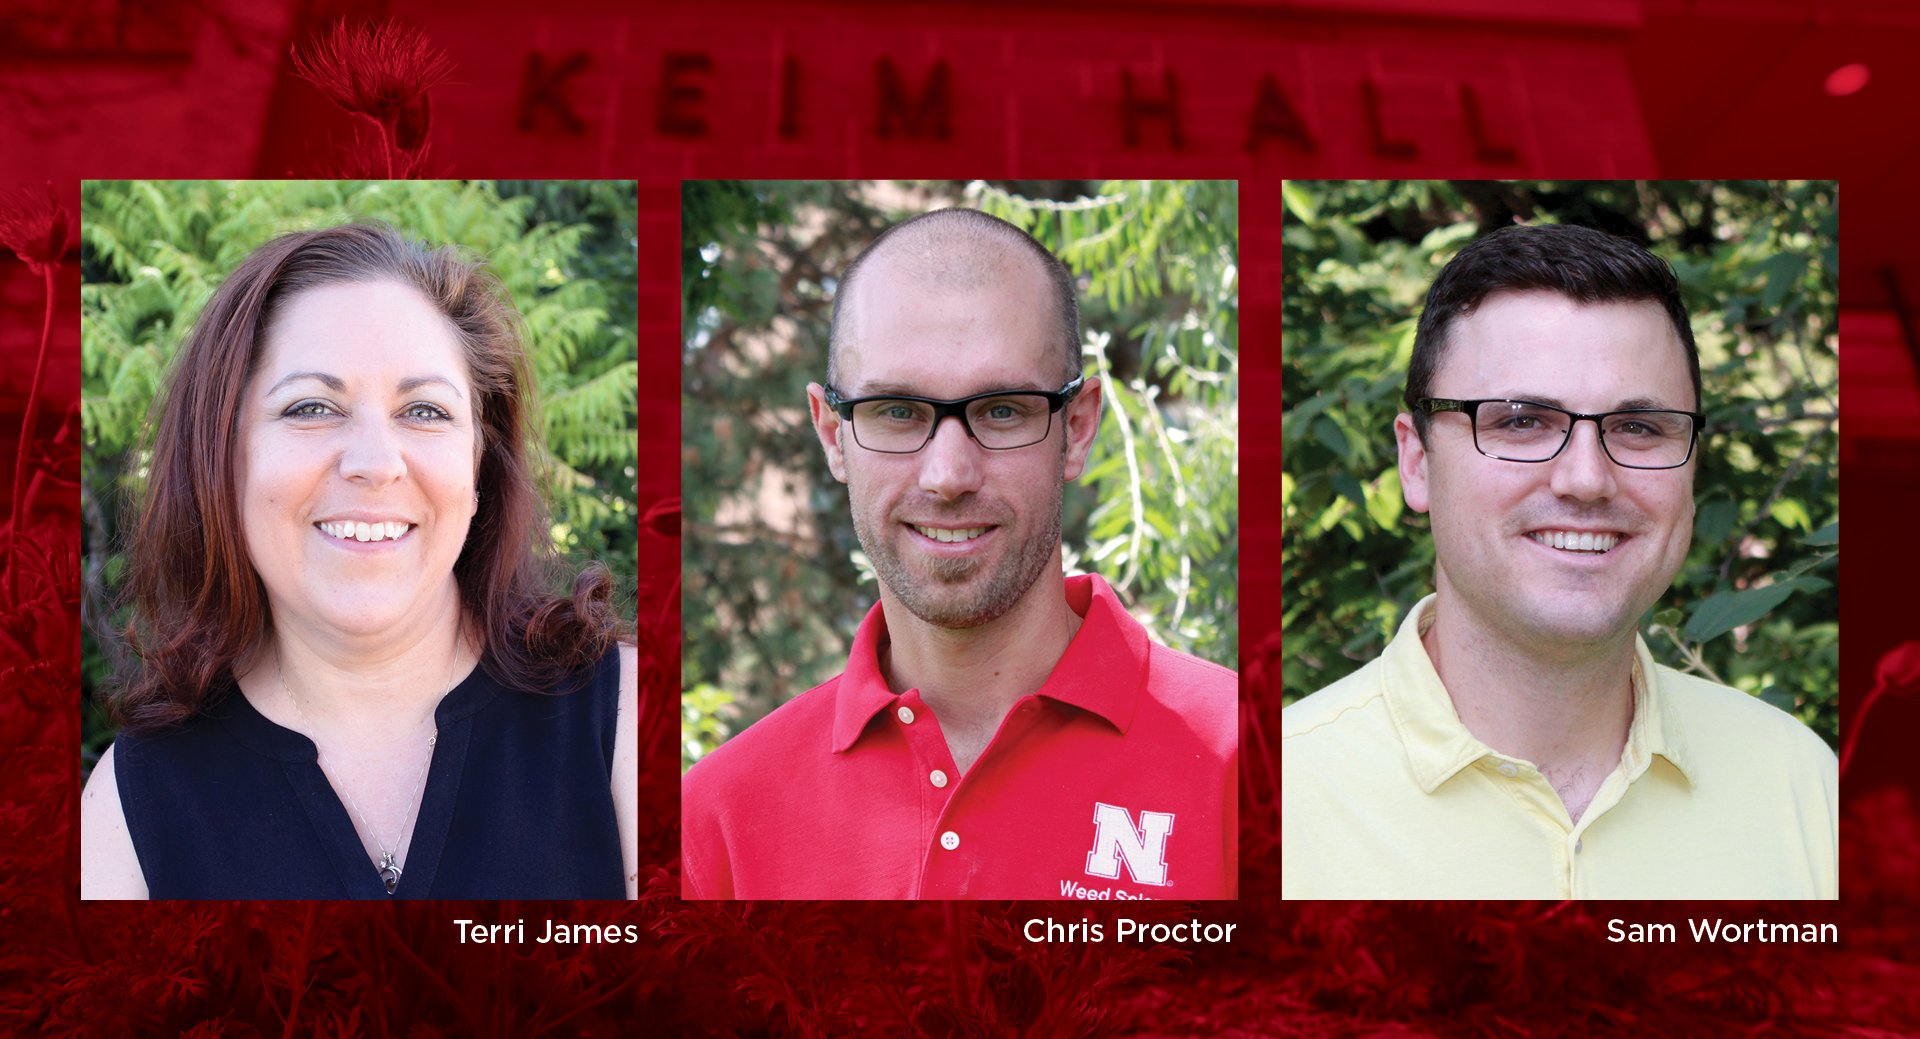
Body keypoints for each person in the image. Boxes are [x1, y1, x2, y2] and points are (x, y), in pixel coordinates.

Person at [680, 207, 1237, 900]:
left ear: (1080, 427)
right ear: (832, 434)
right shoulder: (720, 819)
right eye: (897, 411)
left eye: (1002, 410)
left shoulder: (1250, 768)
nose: (947, 475)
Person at [80, 221, 639, 900]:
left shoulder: (623, 723)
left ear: (478, 470)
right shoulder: (130, 811)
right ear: (220, 459)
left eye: (426, 412)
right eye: (311, 407)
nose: (376, 464)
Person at [1281, 223, 1837, 900]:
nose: (1585, 479)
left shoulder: (1803, 791)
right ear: (1416, 462)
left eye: (1639, 427)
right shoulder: (1272, 799)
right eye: (1520, 420)